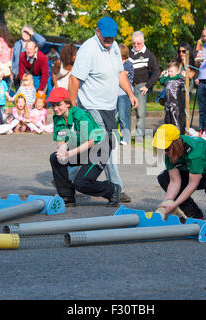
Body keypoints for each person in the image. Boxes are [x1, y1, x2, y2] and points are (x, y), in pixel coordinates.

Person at [69, 17, 139, 204]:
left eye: (112, 38)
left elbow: (120, 73)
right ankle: (117, 188)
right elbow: (74, 79)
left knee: (98, 148)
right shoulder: (88, 49)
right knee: (104, 145)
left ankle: (68, 177)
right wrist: (74, 106)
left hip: (109, 107)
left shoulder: (114, 47)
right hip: (91, 106)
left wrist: (130, 94)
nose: (109, 41)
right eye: (106, 38)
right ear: (97, 31)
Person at [48, 87, 121, 207]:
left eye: (58, 105)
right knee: (55, 158)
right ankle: (67, 197)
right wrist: (61, 151)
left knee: (81, 184)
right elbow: (60, 138)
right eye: (52, 105)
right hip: (81, 149)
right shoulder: (57, 117)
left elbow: (90, 141)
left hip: (98, 149)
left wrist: (69, 154)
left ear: (67, 103)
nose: (55, 108)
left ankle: (111, 189)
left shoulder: (80, 115)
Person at [152, 124, 206, 220]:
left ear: (176, 144)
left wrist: (175, 204)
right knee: (164, 178)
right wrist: (166, 203)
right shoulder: (169, 151)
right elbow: (174, 182)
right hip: (196, 172)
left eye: (165, 149)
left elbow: (192, 184)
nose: (164, 152)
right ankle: (193, 214)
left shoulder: (195, 151)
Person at [128, 30, 160, 138]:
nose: (136, 45)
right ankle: (125, 135)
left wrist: (148, 86)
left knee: (140, 114)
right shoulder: (129, 53)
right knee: (124, 112)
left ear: (143, 42)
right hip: (127, 87)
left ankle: (138, 136)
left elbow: (156, 72)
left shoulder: (148, 54)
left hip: (140, 86)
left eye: (138, 43)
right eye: (134, 43)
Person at [12, 25, 46, 90]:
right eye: (24, 32)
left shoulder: (34, 44)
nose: (25, 34)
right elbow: (13, 59)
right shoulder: (17, 44)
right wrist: (12, 72)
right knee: (18, 95)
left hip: (29, 75)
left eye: (27, 32)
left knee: (28, 95)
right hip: (17, 75)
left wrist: (32, 33)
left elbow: (43, 41)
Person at [159, 60, 186, 135]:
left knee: (176, 122)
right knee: (167, 121)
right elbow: (161, 81)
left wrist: (183, 76)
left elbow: (185, 82)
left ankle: (178, 137)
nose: (170, 73)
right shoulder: (167, 79)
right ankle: (169, 137)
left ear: (177, 72)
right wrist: (163, 75)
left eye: (172, 71)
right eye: (169, 71)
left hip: (175, 105)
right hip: (167, 105)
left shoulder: (179, 79)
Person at [117, 43, 134, 145]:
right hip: (115, 93)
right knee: (115, 117)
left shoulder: (127, 64)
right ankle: (115, 136)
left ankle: (126, 138)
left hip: (124, 94)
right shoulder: (116, 64)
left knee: (123, 116)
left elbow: (122, 76)